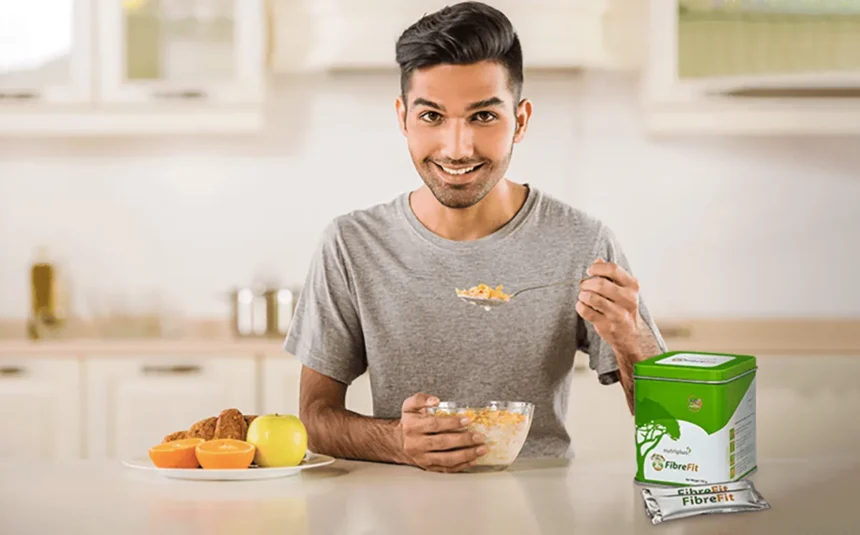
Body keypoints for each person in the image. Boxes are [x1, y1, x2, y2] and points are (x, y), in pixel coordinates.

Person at [284, 1, 667, 473]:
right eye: (432, 116)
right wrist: (396, 441)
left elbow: (669, 423)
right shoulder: (351, 244)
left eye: (483, 117)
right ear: (403, 118)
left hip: (542, 502)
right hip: (402, 502)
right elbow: (315, 418)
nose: (457, 148)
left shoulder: (582, 243)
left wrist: (632, 340)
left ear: (520, 121)